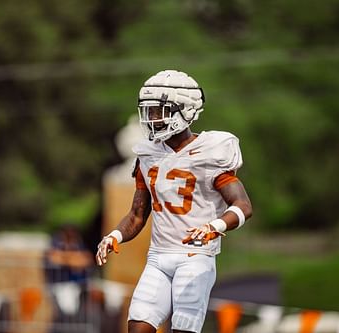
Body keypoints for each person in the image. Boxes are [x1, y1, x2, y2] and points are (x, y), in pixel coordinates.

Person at [96, 69, 253, 333]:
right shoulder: (147, 154)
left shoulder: (210, 152)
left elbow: (243, 206)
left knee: (182, 330)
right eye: (149, 111)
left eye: (159, 111)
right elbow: (137, 213)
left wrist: (215, 226)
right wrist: (114, 236)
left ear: (186, 110)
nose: (152, 118)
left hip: (195, 257)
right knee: (137, 327)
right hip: (158, 258)